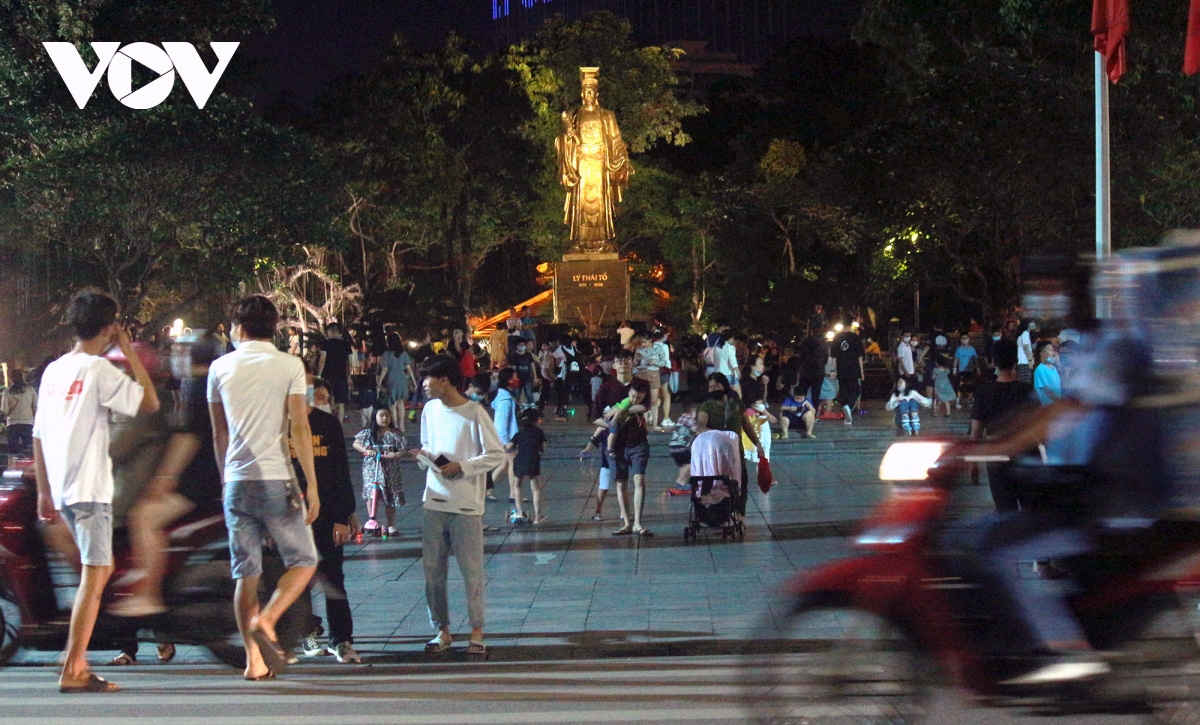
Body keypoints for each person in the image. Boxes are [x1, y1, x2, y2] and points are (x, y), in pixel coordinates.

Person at [33, 289, 161, 693]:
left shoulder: (54, 370)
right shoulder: (99, 370)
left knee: (96, 571)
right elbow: (150, 404)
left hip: (64, 488)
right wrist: (129, 351)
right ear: (109, 327)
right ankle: (74, 666)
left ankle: (74, 656)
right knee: (96, 572)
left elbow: (38, 435)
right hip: (90, 488)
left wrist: (44, 491)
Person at [208, 295, 320, 680]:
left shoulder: (220, 368)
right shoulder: (290, 365)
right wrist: (313, 486)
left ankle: (253, 662)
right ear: (274, 326)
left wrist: (226, 479)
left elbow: (219, 432)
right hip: (277, 478)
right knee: (304, 560)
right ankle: (269, 618)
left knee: (246, 574)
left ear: (238, 327)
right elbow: (299, 427)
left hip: (236, 482)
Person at [114, 332, 224, 618]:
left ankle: (148, 594)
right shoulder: (205, 384)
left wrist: (164, 479)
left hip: (199, 481)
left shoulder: (199, 387)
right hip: (208, 475)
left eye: (179, 352)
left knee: (144, 517)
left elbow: (188, 438)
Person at [410, 354, 504, 656]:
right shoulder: (429, 410)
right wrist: (424, 458)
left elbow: (495, 454)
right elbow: (429, 445)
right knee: (432, 570)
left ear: (444, 380)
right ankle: (442, 630)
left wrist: (461, 466)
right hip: (434, 501)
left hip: (466, 506)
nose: (423, 384)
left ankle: (477, 630)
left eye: (428, 378)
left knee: (471, 571)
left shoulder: (475, 413)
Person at [296, 378, 361, 664]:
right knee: (296, 581)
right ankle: (304, 632)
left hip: (327, 514)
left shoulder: (327, 424)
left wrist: (343, 516)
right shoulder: (276, 424)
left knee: (333, 578)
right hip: (291, 518)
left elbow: (340, 473)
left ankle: (342, 640)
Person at [969, 338, 1036, 513]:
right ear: (1015, 361)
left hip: (997, 457)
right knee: (1031, 513)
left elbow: (976, 429)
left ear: (993, 362)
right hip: (1025, 456)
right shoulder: (1027, 390)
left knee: (1005, 512)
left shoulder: (984, 391)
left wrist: (973, 463)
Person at [697, 372, 764, 517]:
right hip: (715, 456)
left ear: (725, 385)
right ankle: (715, 515)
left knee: (740, 485)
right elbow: (701, 425)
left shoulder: (736, 404)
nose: (714, 389)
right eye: (711, 387)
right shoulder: (706, 406)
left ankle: (739, 515)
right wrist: (717, 435)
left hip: (737, 454)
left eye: (717, 385)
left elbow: (747, 426)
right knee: (715, 486)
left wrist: (758, 444)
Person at [608, 378, 653, 537]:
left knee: (639, 481)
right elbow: (605, 417)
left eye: (639, 397)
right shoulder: (618, 402)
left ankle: (638, 523)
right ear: (628, 393)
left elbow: (644, 409)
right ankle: (627, 523)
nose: (635, 400)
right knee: (621, 485)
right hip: (619, 448)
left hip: (638, 445)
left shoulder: (640, 407)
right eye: (633, 396)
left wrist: (623, 411)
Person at [353, 407, 406, 537]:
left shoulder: (395, 434)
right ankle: (372, 519)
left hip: (390, 469)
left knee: (391, 495)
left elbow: (403, 449)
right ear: (375, 417)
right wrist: (365, 449)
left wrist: (396, 454)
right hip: (372, 467)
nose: (385, 418)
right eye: (381, 415)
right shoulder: (368, 433)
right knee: (372, 493)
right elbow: (356, 443)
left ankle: (390, 523)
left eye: (387, 416)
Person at [490, 368, 522, 524]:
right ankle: (513, 493)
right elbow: (502, 423)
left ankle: (487, 490)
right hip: (507, 438)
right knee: (512, 463)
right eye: (515, 377)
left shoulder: (505, 397)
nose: (517, 379)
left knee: (503, 464)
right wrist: (505, 441)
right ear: (509, 380)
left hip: (507, 437)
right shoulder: (505, 400)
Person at [510, 408, 548, 523]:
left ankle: (520, 513)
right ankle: (537, 517)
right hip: (533, 460)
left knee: (517, 486)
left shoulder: (519, 434)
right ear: (536, 420)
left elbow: (509, 446)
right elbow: (543, 448)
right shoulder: (539, 432)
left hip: (519, 460)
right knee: (535, 489)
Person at [830, 315, 865, 425]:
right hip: (853, 368)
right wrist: (862, 371)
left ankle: (847, 416)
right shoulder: (855, 337)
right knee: (856, 390)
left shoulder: (837, 338)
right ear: (851, 324)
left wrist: (833, 370)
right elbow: (860, 356)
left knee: (844, 391)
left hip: (841, 368)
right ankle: (848, 406)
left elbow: (833, 357)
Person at [378, 333, 415, 436]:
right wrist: (413, 381)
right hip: (402, 379)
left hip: (392, 379)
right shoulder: (403, 353)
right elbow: (409, 368)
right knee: (401, 404)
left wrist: (380, 382)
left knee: (392, 404)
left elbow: (384, 369)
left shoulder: (387, 354)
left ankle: (395, 425)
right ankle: (402, 425)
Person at [317, 323, 353, 421]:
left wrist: (319, 374)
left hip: (328, 375)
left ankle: (331, 422)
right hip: (342, 376)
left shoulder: (326, 343)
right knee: (341, 402)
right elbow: (350, 363)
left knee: (329, 398)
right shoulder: (346, 344)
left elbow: (322, 360)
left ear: (331, 331)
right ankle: (339, 426)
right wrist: (349, 377)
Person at [2, 367, 37, 457]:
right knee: (28, 450)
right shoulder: (30, 390)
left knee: (13, 452)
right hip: (28, 422)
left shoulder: (7, 391)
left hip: (12, 423)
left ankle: (13, 467)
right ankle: (28, 468)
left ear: (11, 378)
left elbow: (5, 410)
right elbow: (36, 407)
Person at [668, 404, 699, 486]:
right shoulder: (689, 418)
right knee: (693, 463)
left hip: (672, 448)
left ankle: (681, 485)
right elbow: (696, 432)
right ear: (692, 411)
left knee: (683, 464)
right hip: (681, 448)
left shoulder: (680, 418)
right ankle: (680, 481)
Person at [1032, 340, 1062, 406]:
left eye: (1053, 350)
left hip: (1056, 408)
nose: (1053, 353)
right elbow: (1048, 391)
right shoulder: (1040, 369)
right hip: (1049, 409)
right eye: (1050, 350)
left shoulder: (1054, 368)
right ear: (1042, 353)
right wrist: (1061, 403)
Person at [954, 332, 979, 409]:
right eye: (963, 339)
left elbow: (975, 359)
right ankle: (958, 401)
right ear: (960, 340)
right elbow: (956, 359)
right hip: (962, 370)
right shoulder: (959, 349)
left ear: (969, 339)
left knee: (970, 385)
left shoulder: (972, 349)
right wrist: (954, 368)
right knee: (961, 385)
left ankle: (970, 400)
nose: (964, 340)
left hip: (970, 369)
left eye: (966, 338)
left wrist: (978, 368)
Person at [509, 339, 536, 408]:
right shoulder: (514, 356)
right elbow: (513, 367)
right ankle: (516, 408)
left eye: (523, 345)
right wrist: (515, 377)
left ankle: (532, 408)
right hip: (518, 378)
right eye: (520, 345)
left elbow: (532, 365)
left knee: (529, 393)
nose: (522, 346)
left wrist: (535, 376)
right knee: (517, 394)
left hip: (527, 377)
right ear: (517, 346)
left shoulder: (528, 355)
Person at [1016, 320, 1036, 384]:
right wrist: (1030, 361)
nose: (1034, 324)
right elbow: (1026, 348)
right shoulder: (1025, 333)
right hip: (1025, 363)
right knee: (1026, 383)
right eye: (1031, 322)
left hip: (1023, 362)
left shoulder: (1025, 334)